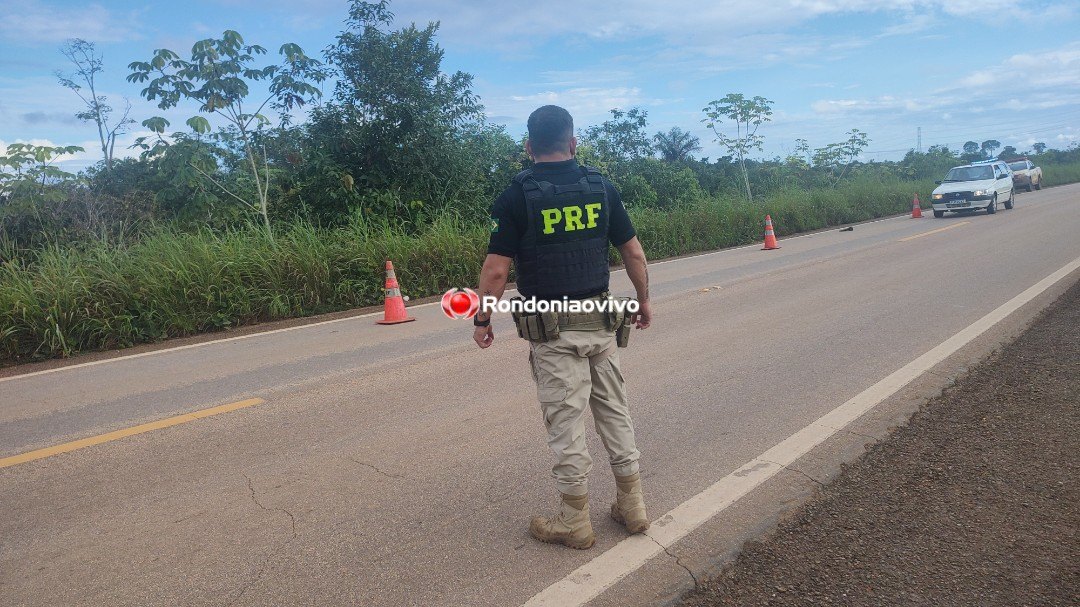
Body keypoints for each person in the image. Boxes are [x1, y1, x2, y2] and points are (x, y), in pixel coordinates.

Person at [472, 105, 652, 550]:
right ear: (573, 143)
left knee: (566, 423)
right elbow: (634, 253)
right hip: (602, 326)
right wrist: (643, 301)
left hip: (553, 335)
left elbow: (496, 270)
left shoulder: (517, 196)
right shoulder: (601, 188)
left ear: (529, 146)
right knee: (614, 412)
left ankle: (575, 523)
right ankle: (633, 508)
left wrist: (481, 318)